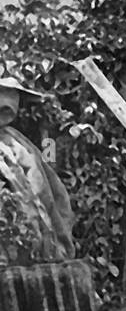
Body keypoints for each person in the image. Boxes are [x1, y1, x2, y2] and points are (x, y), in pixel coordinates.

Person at [0, 74, 74, 263]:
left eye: (14, 95)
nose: (9, 101)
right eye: (3, 92)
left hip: (31, 243)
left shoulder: (19, 141)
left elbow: (47, 188)